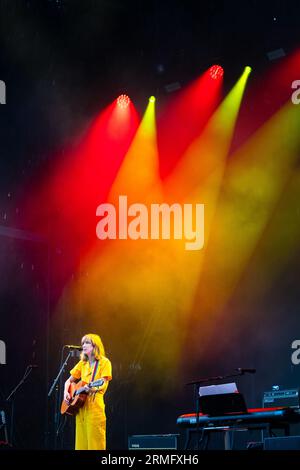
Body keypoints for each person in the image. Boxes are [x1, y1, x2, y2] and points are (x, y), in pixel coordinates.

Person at [63, 333, 112, 450]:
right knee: (80, 446)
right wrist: (66, 392)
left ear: (95, 346)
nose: (83, 345)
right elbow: (68, 382)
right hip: (81, 411)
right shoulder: (82, 363)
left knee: (95, 446)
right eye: (83, 343)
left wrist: (93, 388)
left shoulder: (104, 362)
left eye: (87, 343)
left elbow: (103, 383)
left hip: (95, 409)